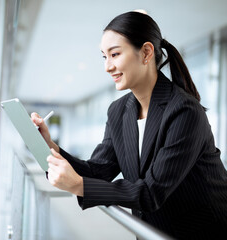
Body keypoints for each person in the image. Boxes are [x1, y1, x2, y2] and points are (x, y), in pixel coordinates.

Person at [31, 11, 227, 239]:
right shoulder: (118, 111)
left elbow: (151, 191)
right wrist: (50, 147)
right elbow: (98, 170)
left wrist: (80, 186)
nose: (107, 66)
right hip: (152, 231)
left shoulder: (184, 111)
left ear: (146, 52)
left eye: (114, 54)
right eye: (104, 57)